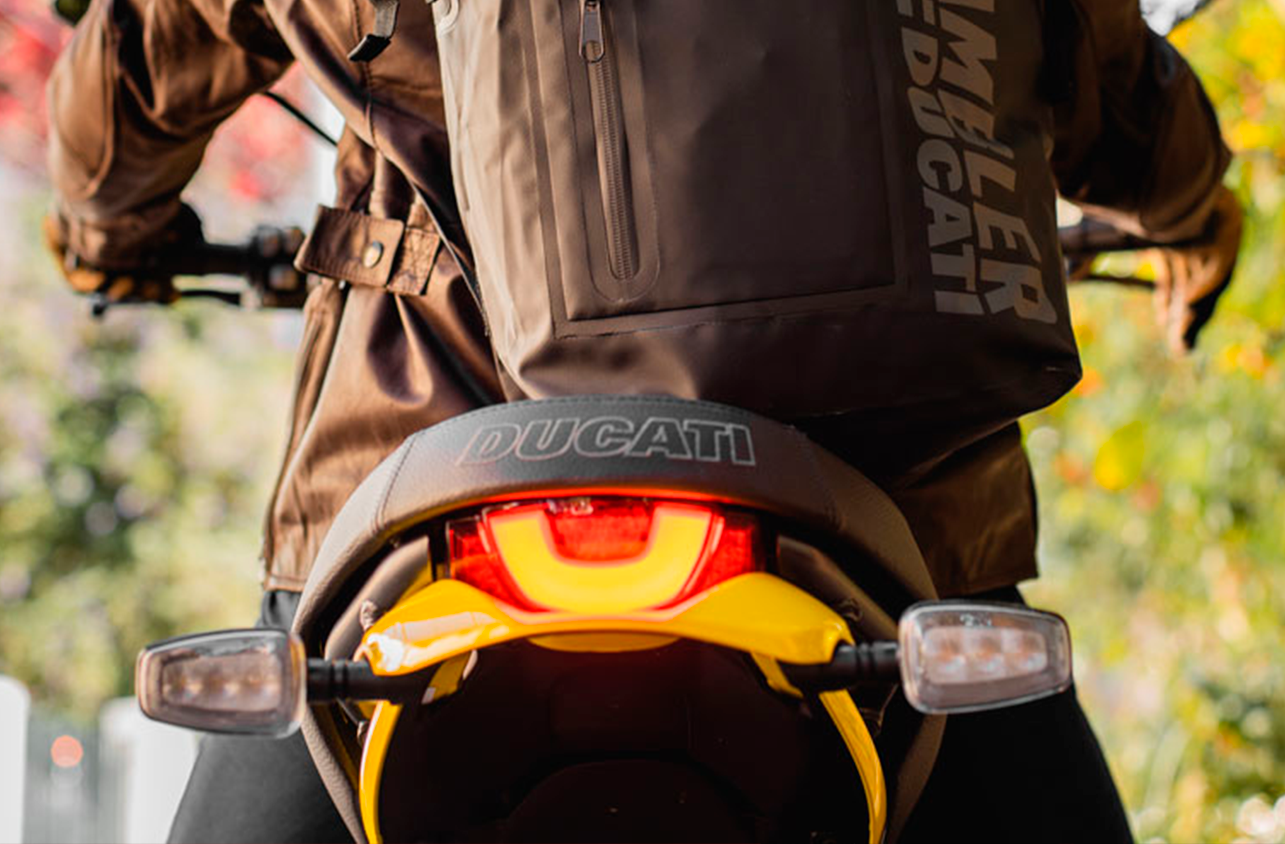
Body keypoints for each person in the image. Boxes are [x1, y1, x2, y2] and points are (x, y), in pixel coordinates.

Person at [43, 0, 1240, 841]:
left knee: (322, 687)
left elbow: (144, 60)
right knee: (991, 725)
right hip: (896, 518)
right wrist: (1195, 220)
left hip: (436, 481)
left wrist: (107, 234)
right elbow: (1121, 97)